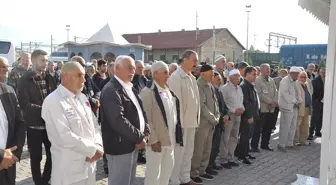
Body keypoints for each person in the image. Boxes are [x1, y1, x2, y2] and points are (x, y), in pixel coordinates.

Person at [41, 62, 103, 185]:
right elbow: (64, 136)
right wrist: (92, 150)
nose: (84, 80)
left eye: (84, 75)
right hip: (69, 170)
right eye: (79, 75)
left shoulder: (83, 98)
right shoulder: (53, 101)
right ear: (65, 76)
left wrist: (98, 145)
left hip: (89, 165)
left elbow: (94, 125)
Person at [100, 55, 150, 185]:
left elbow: (141, 112)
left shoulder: (129, 87)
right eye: (129, 68)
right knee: (120, 181)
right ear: (117, 68)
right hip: (120, 146)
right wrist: (139, 137)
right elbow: (117, 120)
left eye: (134, 68)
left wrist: (145, 134)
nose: (133, 71)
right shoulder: (111, 89)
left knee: (129, 181)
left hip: (131, 144)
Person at [17, 49, 57, 185]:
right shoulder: (24, 79)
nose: (45, 63)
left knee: (52, 154)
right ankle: (38, 182)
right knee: (36, 157)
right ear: (33, 61)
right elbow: (24, 103)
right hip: (34, 125)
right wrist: (45, 110)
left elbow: (55, 97)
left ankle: (45, 181)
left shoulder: (50, 77)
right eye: (42, 60)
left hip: (49, 124)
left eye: (47, 60)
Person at [140, 61, 183, 185]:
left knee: (166, 173)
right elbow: (146, 118)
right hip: (157, 141)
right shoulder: (147, 92)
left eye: (168, 73)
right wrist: (153, 140)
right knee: (153, 175)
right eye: (164, 73)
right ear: (154, 74)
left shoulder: (168, 90)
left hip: (170, 140)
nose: (167, 76)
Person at [168, 50, 200, 185]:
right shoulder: (176, 77)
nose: (196, 64)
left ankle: (185, 178)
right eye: (194, 60)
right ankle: (174, 180)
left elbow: (196, 100)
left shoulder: (191, 77)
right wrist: (179, 124)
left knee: (188, 153)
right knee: (179, 154)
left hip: (192, 122)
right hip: (182, 125)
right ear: (185, 60)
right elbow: (176, 104)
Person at [190, 64, 221, 184]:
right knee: (198, 149)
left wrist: (218, 115)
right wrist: (213, 118)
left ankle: (202, 171)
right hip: (203, 123)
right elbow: (201, 106)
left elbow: (215, 102)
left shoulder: (209, 85)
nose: (213, 76)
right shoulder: (199, 85)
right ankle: (194, 173)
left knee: (207, 149)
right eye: (211, 74)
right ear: (202, 74)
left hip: (211, 123)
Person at [0, 56, 26, 185]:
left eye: (6, 66)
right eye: (2, 66)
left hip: (9, 161)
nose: (6, 69)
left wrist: (14, 153)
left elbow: (20, 122)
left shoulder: (9, 91)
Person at [219, 69, 244, 169]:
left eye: (239, 77)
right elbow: (222, 104)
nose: (238, 79)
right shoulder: (224, 89)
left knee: (234, 137)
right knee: (225, 138)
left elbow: (241, 101)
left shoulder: (239, 88)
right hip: (229, 116)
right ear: (230, 77)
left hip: (238, 116)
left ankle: (230, 158)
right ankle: (223, 159)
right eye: (235, 77)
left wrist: (242, 109)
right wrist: (233, 110)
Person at [251, 64, 278, 152]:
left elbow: (276, 92)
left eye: (269, 69)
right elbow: (259, 94)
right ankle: (254, 146)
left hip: (271, 109)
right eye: (267, 69)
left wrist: (274, 102)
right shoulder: (257, 80)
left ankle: (265, 144)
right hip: (262, 108)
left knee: (268, 127)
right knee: (258, 128)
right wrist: (270, 102)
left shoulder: (271, 80)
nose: (269, 70)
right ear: (261, 70)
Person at [236, 66, 259, 165]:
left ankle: (246, 152)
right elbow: (246, 102)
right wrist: (249, 116)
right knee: (244, 137)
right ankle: (242, 156)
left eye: (256, 74)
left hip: (252, 115)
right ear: (247, 74)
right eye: (254, 74)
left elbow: (254, 101)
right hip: (246, 117)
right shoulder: (244, 86)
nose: (255, 76)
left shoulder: (250, 85)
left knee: (248, 135)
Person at [207, 72, 229, 172]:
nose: (220, 81)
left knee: (216, 146)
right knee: (211, 146)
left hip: (220, 123)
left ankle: (213, 163)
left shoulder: (219, 92)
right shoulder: (210, 92)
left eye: (220, 79)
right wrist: (220, 117)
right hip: (213, 123)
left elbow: (224, 106)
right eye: (217, 79)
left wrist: (226, 115)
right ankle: (208, 166)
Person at [278, 66, 302, 152]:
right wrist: (296, 101)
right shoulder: (285, 81)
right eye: (297, 74)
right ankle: (281, 144)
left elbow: (298, 92)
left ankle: (290, 143)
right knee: (285, 126)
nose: (298, 75)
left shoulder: (295, 81)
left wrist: (299, 100)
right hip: (287, 106)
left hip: (294, 106)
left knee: (293, 126)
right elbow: (285, 94)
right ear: (293, 73)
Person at [294, 71, 312, 146]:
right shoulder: (296, 84)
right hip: (299, 108)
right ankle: (295, 141)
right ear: (298, 77)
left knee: (305, 125)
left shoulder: (307, 84)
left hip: (307, 108)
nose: (303, 78)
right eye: (301, 77)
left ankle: (303, 140)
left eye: (305, 77)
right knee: (297, 125)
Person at [309, 67, 325, 139]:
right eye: (322, 72)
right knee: (314, 118)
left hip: (325, 103)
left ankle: (318, 132)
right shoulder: (315, 81)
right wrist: (315, 101)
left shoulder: (330, 80)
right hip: (317, 102)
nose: (324, 74)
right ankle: (310, 134)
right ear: (319, 73)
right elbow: (312, 93)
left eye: (325, 72)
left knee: (321, 118)